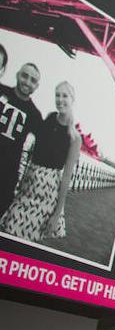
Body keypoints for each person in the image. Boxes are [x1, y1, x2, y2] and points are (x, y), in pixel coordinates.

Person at [0, 80, 80, 240]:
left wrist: (57, 213)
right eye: (57, 95)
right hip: (28, 184)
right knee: (9, 225)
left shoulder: (74, 137)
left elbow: (66, 177)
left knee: (27, 237)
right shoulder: (49, 118)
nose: (60, 99)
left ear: (72, 99)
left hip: (47, 191)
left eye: (65, 96)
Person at [0, 61, 41, 219]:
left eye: (33, 80)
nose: (27, 82)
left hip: (6, 176)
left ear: (37, 86)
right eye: (25, 76)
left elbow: (45, 146)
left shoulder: (35, 115)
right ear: (17, 75)